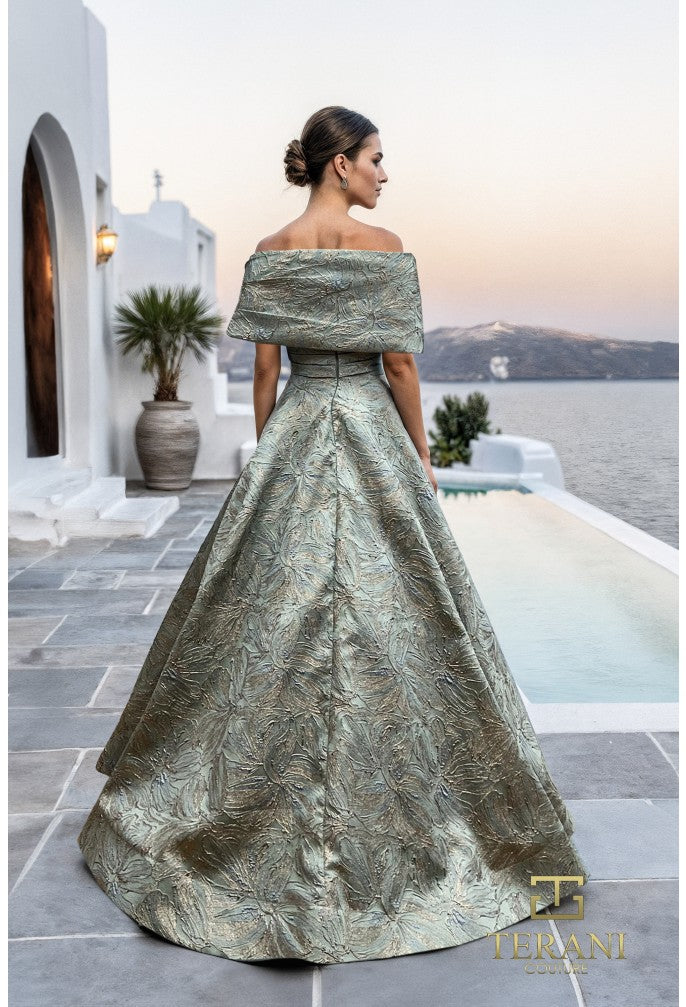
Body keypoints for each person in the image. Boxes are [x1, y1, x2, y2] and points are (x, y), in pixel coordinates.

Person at [77, 105, 591, 965]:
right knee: (415, 626)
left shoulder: (271, 249)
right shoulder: (386, 249)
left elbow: (265, 367)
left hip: (302, 425)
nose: (386, 176)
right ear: (341, 164)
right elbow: (398, 364)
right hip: (371, 431)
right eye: (379, 160)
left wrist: (271, 452)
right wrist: (420, 458)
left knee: (259, 619)